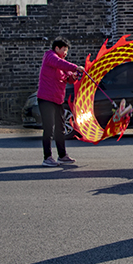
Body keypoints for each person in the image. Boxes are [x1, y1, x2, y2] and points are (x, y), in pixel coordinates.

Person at [37, 37, 84, 167]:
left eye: (66, 51)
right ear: (57, 48)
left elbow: (68, 79)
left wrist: (74, 76)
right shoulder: (50, 57)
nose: (65, 53)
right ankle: (47, 157)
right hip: (46, 99)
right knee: (49, 128)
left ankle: (62, 155)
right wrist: (76, 67)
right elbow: (60, 63)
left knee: (60, 128)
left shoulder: (62, 64)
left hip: (57, 99)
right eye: (64, 50)